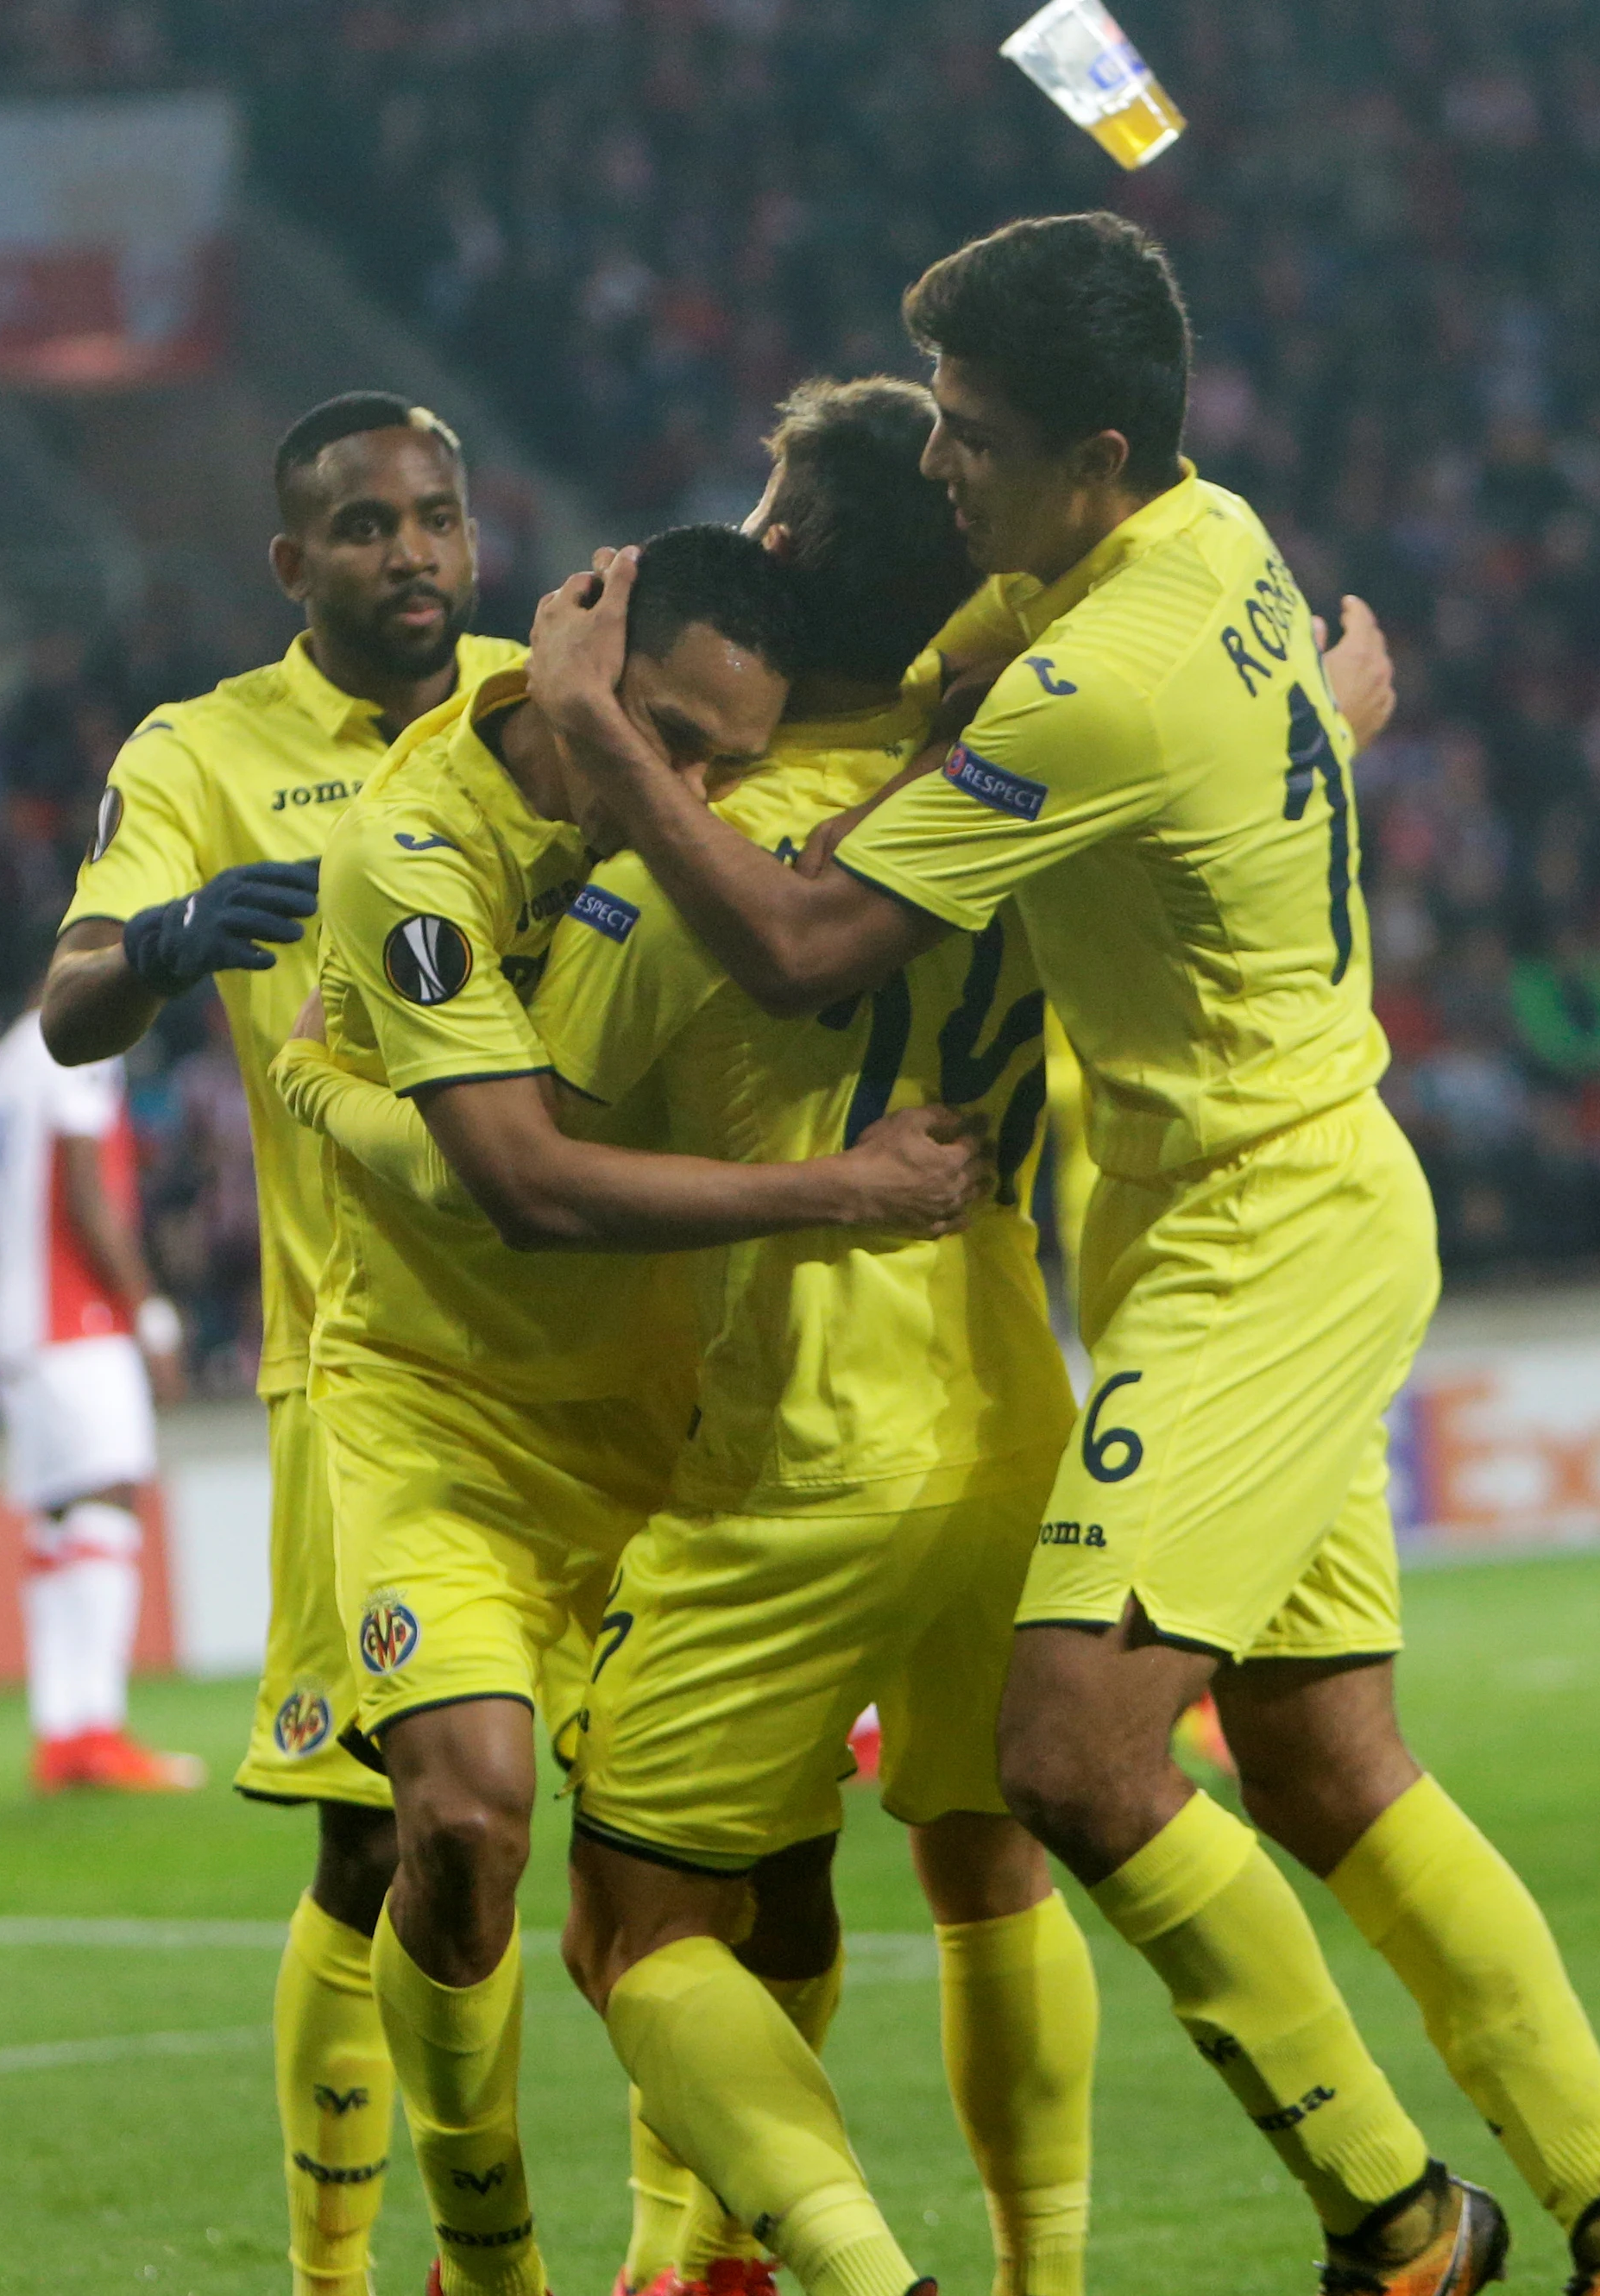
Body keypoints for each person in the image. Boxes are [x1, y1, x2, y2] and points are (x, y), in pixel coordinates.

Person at [532, 214, 1600, 2296]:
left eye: (975, 437)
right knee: (1318, 1757)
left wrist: (603, 738)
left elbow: (813, 935)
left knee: (1074, 1755)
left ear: (1095, 452)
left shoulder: (1097, 676)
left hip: (1257, 1233)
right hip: (1260, 1199)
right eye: (929, 426)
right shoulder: (1198, 549)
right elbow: (1132, 746)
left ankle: (1395, 2227)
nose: (941, 470)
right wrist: (1328, 716)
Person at [279, 379, 1155, 2296]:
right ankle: (500, 2252)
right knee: (475, 1827)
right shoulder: (425, 848)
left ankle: (703, 2258)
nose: (667, 779)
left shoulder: (723, 816)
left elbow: (537, 1159)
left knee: (702, 1888)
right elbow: (512, 1176)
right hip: (467, 1411)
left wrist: (329, 1086)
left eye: (708, 751)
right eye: (653, 737)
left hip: (700, 1415)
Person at [34, 392, 525, 2296]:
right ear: (290, 561)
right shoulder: (203, 751)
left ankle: (692, 2246)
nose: (410, 550)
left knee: (693, 1845)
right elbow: (67, 1004)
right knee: (383, 1848)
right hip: (369, 1372)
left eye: (437, 514)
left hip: (615, 1344)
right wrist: (162, 939)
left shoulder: (546, 705)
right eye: (364, 524)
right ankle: (339, 2273)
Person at [0, 1007, 199, 1795]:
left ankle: (62, 1732)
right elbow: (87, 1192)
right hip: (75, 1314)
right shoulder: (81, 1041)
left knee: (60, 1521)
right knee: (109, 1496)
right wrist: (149, 1313)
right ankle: (96, 1730)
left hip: (17, 1319)